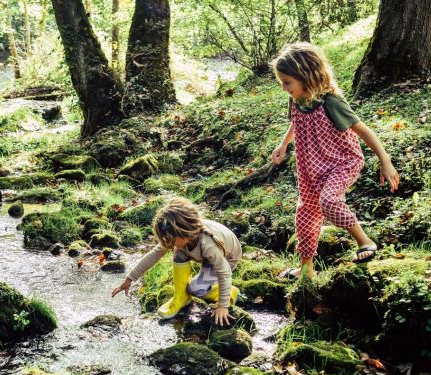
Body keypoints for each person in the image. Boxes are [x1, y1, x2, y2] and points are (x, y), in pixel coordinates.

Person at [270, 42, 400, 280]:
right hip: (311, 168)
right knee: (306, 214)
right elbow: (295, 123)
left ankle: (365, 241)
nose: (284, 87)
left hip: (342, 162)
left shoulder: (331, 102)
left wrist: (385, 160)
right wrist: (284, 144)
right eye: (282, 82)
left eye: (287, 82)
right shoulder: (298, 99)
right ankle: (306, 269)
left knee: (329, 201)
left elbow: (364, 131)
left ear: (306, 76)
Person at [111, 197, 242, 325]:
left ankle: (230, 291)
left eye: (170, 239)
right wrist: (130, 279)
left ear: (183, 231)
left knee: (195, 289)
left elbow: (224, 272)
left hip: (227, 258)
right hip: (207, 255)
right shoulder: (180, 237)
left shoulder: (208, 245)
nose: (168, 243)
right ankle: (181, 297)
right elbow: (153, 255)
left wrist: (223, 306)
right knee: (178, 253)